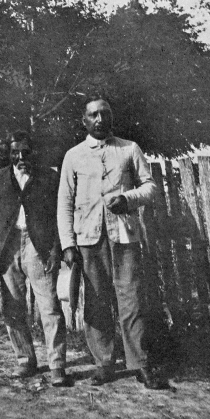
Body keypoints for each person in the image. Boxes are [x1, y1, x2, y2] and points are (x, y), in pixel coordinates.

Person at [57, 97, 167, 389]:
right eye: (93, 115)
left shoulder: (129, 149)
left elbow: (151, 186)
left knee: (131, 299)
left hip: (123, 236)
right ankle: (104, 363)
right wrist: (68, 244)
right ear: (84, 121)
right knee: (96, 302)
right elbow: (64, 203)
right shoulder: (73, 156)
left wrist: (128, 199)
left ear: (111, 117)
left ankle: (140, 363)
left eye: (105, 113)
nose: (100, 119)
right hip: (89, 240)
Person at [0, 132, 68, 387]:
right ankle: (25, 360)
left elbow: (58, 215)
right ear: (8, 155)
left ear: (33, 152)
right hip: (8, 247)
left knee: (49, 305)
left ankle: (57, 366)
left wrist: (55, 249)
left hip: (37, 245)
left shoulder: (48, 177)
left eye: (25, 152)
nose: (20, 157)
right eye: (14, 153)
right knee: (12, 306)